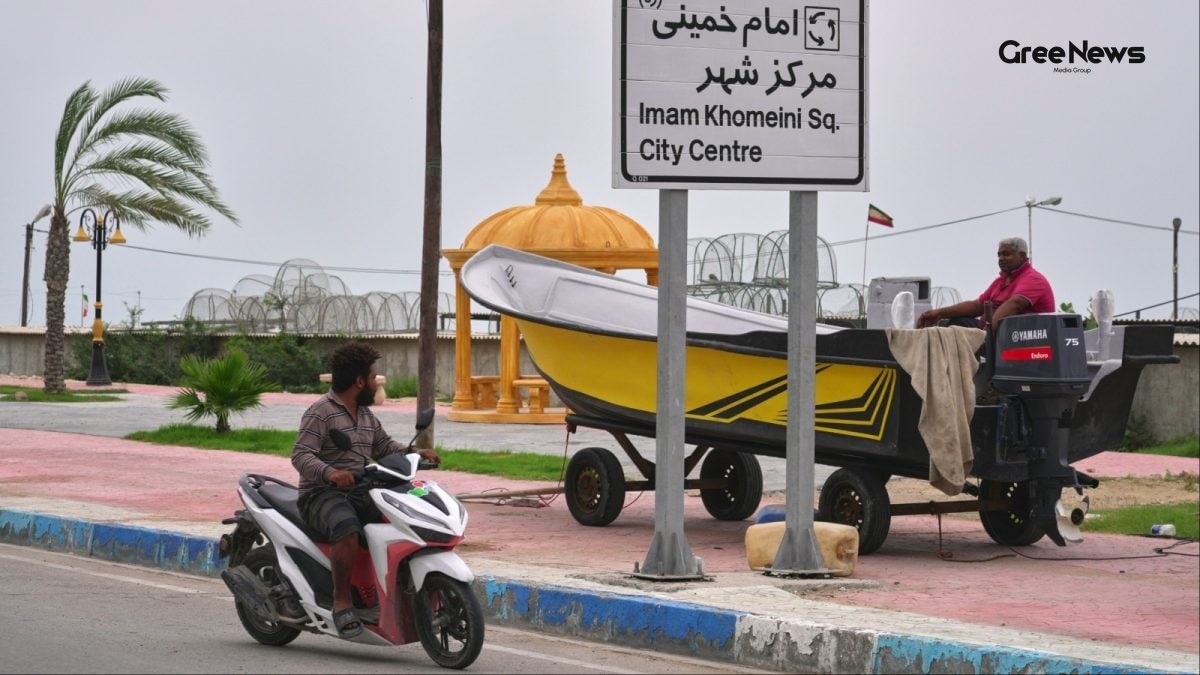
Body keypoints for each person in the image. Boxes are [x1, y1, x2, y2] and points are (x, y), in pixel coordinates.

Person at [291, 341, 440, 638]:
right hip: (320, 494)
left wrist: (415, 454)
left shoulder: (366, 414)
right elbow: (301, 455)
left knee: (401, 519)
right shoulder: (321, 412)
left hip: (360, 488)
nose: (375, 382)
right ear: (359, 381)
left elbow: (383, 446)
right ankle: (342, 601)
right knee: (347, 527)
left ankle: (391, 592)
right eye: (373, 377)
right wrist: (331, 473)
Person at [917, 236, 1055, 329]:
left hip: (1019, 338)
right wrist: (939, 313)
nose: (1001, 258)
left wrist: (986, 334)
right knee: (957, 323)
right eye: (999, 255)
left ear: (1022, 256)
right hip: (993, 332)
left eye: (1006, 254)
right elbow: (977, 306)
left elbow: (1014, 304)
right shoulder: (1000, 281)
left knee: (964, 334)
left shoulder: (1033, 279)